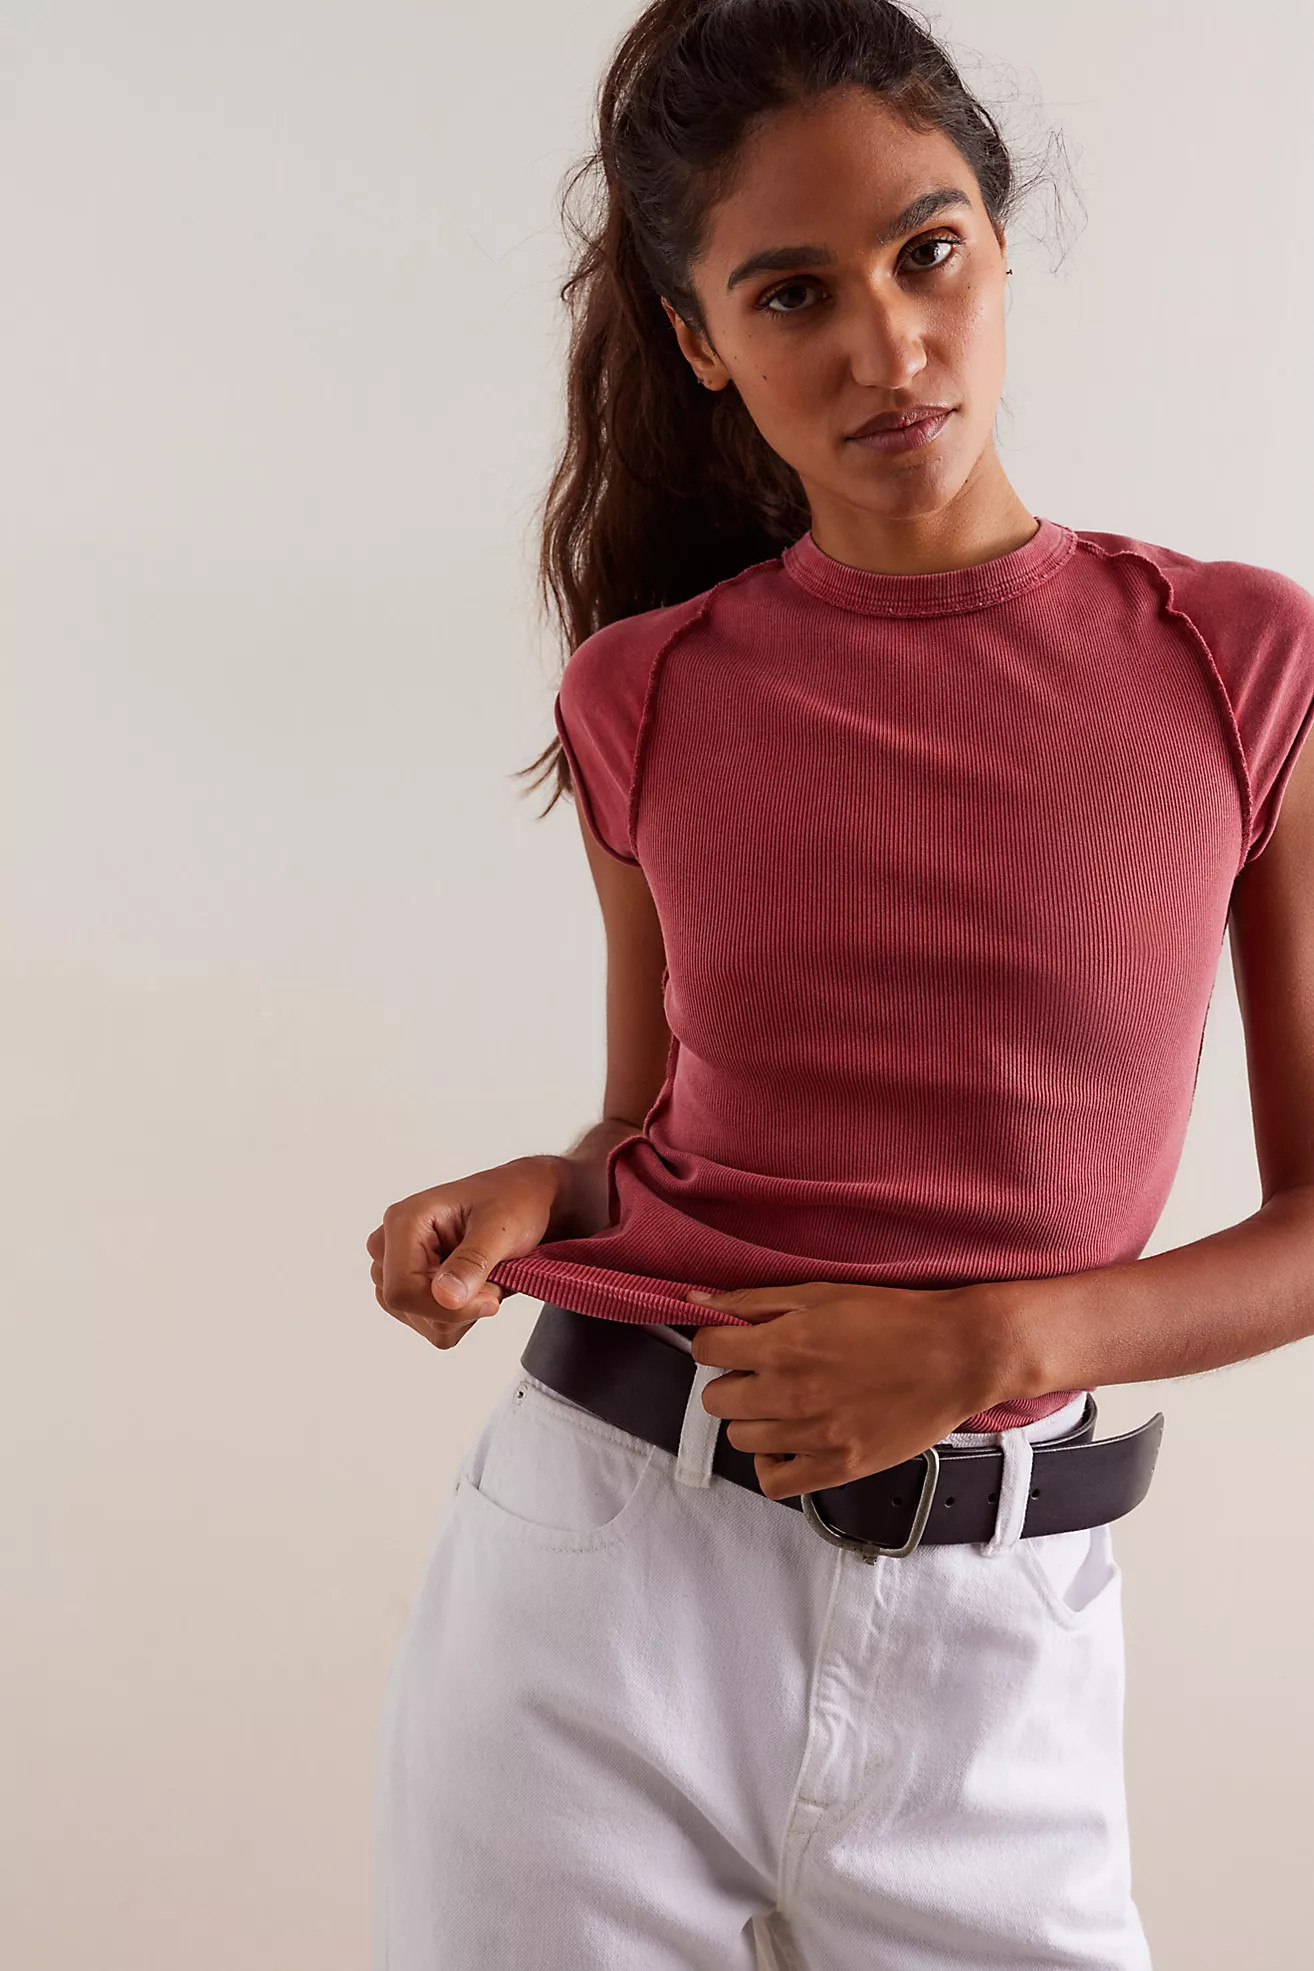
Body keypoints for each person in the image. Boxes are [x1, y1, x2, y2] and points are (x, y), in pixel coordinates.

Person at [365, 3, 1314, 1965]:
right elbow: (651, 1125)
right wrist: (545, 1188)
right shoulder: (644, 692)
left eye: (926, 251)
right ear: (702, 339)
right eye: (793, 293)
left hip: (1002, 1631)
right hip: (602, 1577)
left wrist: (993, 1342)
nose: (888, 344)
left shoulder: (1239, 662)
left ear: (998, 244)